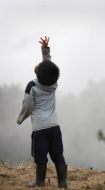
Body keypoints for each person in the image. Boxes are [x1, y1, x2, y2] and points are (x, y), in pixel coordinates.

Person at [17, 36, 67, 188]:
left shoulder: (31, 86)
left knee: (40, 156)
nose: (39, 64)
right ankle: (63, 183)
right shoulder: (53, 82)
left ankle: (40, 182)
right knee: (58, 155)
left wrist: (20, 118)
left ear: (38, 74)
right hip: (55, 126)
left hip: (40, 129)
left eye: (39, 66)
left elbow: (27, 106)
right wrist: (45, 50)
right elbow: (48, 66)